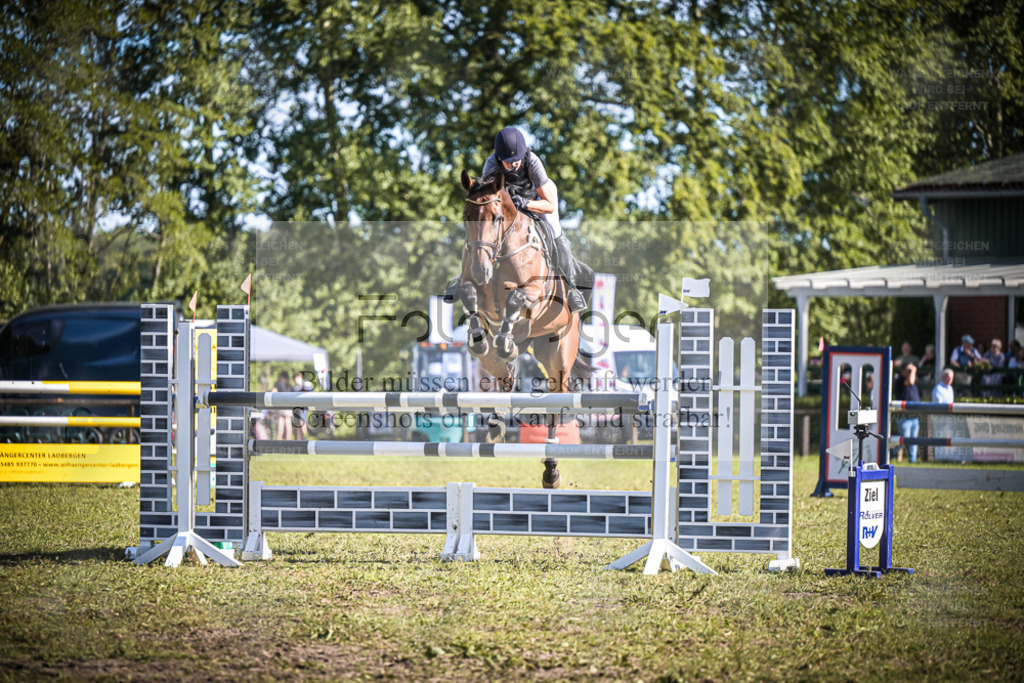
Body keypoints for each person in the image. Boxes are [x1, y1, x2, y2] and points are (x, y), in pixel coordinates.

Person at [446, 127, 592, 313]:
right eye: (508, 161)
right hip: (509, 207)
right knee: (480, 230)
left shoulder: (533, 162)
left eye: (517, 159)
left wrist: (525, 203)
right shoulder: (491, 164)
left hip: (537, 199)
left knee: (554, 229)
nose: (514, 164)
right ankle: (463, 277)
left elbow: (549, 205)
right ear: (499, 158)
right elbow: (488, 200)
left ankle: (571, 288)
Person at [892, 364, 921, 463]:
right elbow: (910, 381)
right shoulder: (899, 380)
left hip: (914, 416)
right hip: (904, 417)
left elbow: (912, 381)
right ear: (903, 370)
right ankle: (890, 454)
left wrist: (912, 370)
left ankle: (912, 460)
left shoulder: (912, 379)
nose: (911, 373)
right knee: (903, 440)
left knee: (913, 440)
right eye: (909, 370)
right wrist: (913, 369)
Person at [272, 371, 292, 440]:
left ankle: (279, 439)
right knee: (288, 422)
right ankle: (288, 440)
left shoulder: (279, 382)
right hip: (289, 406)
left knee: (281, 421)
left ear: (281, 375)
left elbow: (274, 391)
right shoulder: (289, 384)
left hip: (280, 405)